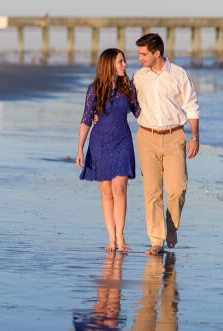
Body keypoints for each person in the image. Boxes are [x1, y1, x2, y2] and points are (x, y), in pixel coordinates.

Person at [131, 33, 200, 255]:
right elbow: (127, 102)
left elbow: (191, 106)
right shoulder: (139, 77)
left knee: (178, 189)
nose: (140, 58)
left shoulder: (179, 75)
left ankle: (171, 227)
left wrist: (195, 137)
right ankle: (156, 240)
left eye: (144, 54)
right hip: (147, 137)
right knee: (152, 192)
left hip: (174, 137)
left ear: (156, 53)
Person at [76, 48, 140, 252]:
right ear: (110, 64)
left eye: (124, 61)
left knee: (119, 188)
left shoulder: (128, 87)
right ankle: (111, 239)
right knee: (106, 193)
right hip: (100, 143)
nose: (124, 65)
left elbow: (139, 112)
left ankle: (121, 237)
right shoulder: (94, 89)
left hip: (122, 141)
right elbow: (87, 119)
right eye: (121, 61)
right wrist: (80, 148)